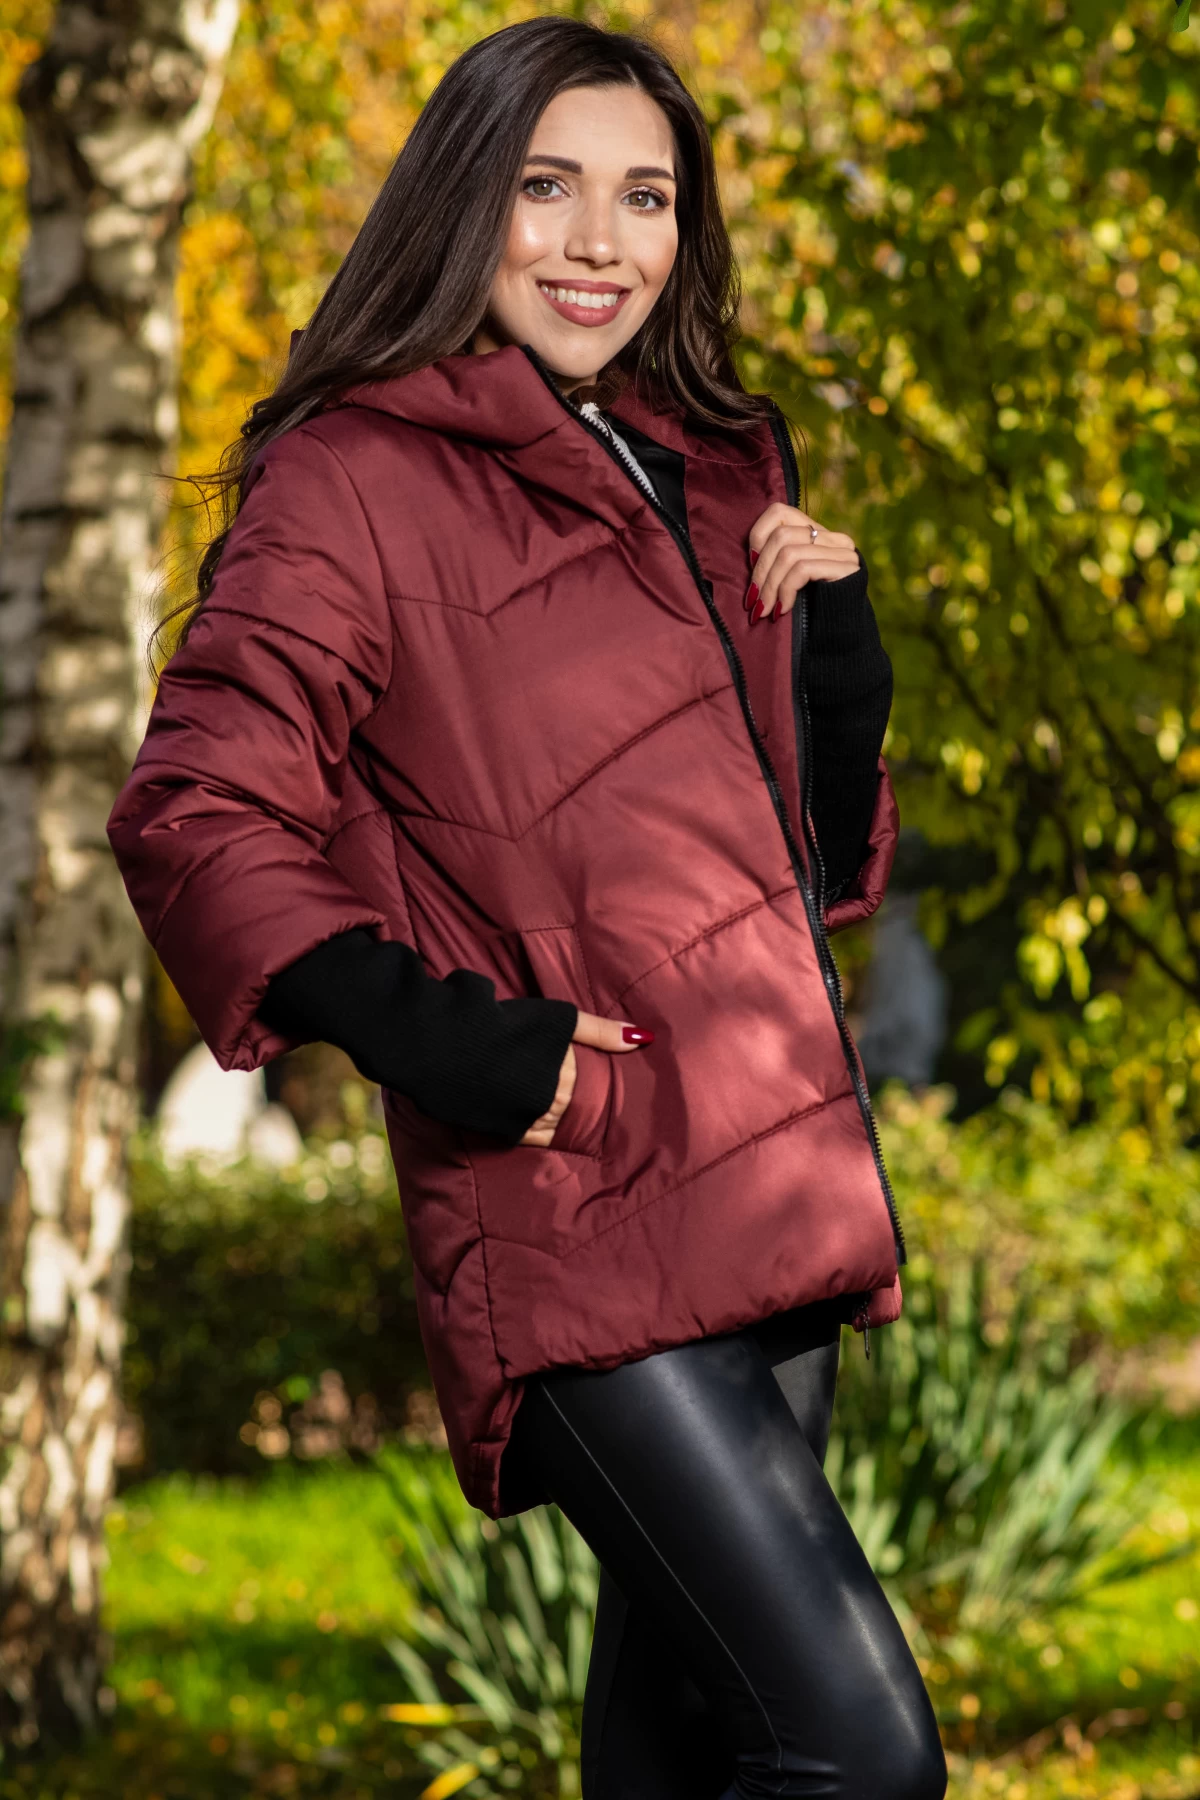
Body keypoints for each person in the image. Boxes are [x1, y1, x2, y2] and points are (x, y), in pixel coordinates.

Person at [108, 17, 946, 1799]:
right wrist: (461, 1046)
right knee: (859, 1755)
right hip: (576, 1211)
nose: (598, 242)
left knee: (680, 1751)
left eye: (646, 197)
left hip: (768, 1186)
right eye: (548, 187)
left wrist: (840, 662)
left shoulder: (702, 462)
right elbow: (195, 812)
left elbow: (791, 878)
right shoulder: (355, 477)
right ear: (464, 199)